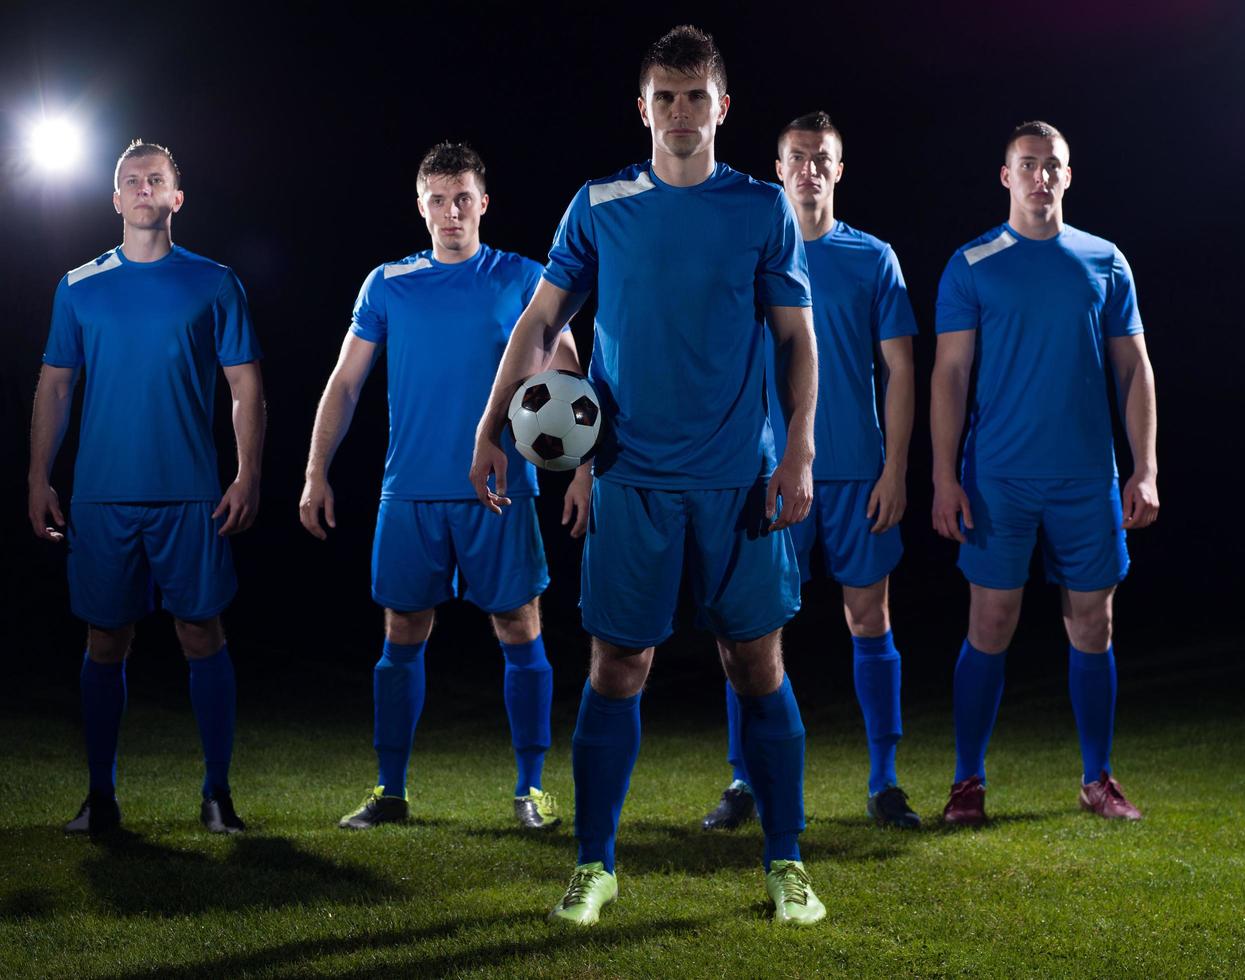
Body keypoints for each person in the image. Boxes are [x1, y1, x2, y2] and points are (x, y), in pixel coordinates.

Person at [472, 25, 826, 926]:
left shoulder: (760, 208)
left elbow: (795, 338)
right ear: (642, 107)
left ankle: (785, 863)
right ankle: (595, 865)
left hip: (738, 478)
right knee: (617, 663)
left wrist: (799, 448)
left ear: (721, 107)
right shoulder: (598, 205)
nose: (678, 113)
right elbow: (539, 323)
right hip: (630, 478)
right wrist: (491, 427)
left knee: (755, 660)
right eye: (663, 98)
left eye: (694, 97)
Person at [299, 142, 589, 832]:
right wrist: (315, 470)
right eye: (437, 199)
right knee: (401, 631)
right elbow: (344, 382)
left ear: (483, 203)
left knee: (518, 626)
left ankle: (531, 790)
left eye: (463, 198)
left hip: (501, 488)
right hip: (411, 490)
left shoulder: (522, 278)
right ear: (420, 204)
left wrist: (582, 466)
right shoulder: (388, 283)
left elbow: (570, 376)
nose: (451, 212)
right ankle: (390, 790)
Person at [28, 139, 265, 835]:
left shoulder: (215, 283)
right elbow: (56, 385)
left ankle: (216, 796)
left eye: (154, 179)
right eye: (130, 180)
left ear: (175, 198)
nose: (141, 189)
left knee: (202, 633)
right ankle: (100, 798)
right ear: (114, 198)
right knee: (106, 641)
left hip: (190, 493)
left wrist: (247, 472)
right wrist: (38, 475)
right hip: (101, 493)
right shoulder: (78, 285)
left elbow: (245, 384)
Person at [931, 121, 1159, 825]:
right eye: (1026, 165)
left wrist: (1143, 467)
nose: (1039, 177)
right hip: (997, 476)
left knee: (1093, 624)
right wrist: (943, 476)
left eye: (1050, 165)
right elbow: (950, 374)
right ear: (1005, 176)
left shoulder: (1103, 260)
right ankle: (967, 781)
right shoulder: (971, 262)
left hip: (1086, 477)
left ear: (1067, 174)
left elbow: (1134, 369)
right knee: (990, 620)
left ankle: (1098, 779)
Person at [702, 111, 921, 833]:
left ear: (838, 168)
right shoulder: (753, 256)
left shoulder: (872, 256)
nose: (808, 169)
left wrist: (895, 468)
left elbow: (899, 369)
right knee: (752, 631)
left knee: (869, 617)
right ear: (778, 167)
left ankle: (885, 781)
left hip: (858, 472)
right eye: (796, 157)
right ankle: (744, 780)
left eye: (820, 158)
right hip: (768, 474)